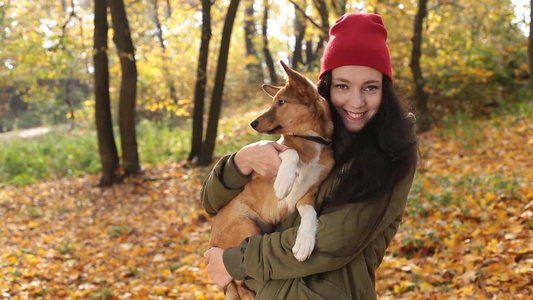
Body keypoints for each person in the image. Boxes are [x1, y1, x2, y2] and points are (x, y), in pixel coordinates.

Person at [202, 12, 418, 300]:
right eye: (343, 86)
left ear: (385, 91)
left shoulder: (390, 153)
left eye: (370, 87)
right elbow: (211, 202)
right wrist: (240, 163)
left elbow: (333, 243)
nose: (356, 101)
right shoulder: (313, 138)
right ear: (324, 87)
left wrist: (233, 261)